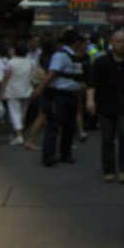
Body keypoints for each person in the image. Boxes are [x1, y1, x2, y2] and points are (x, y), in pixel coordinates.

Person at [37, 31, 88, 167]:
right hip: (58, 95)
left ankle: (65, 154)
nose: (84, 45)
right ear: (76, 42)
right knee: (53, 125)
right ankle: (49, 156)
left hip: (71, 94)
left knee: (69, 126)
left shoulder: (75, 57)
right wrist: (39, 90)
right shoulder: (60, 56)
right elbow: (51, 74)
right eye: (82, 42)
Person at [89, 31, 124, 183]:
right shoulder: (101, 62)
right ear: (112, 42)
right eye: (118, 41)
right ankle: (108, 170)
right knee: (107, 139)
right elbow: (92, 83)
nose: (121, 44)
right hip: (105, 106)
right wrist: (90, 101)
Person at [0, 42, 35, 146]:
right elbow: (33, 76)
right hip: (27, 90)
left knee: (14, 113)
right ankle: (19, 134)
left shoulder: (11, 63)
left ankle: (19, 136)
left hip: (12, 91)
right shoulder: (31, 62)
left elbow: (5, 78)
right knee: (23, 113)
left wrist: (1, 92)